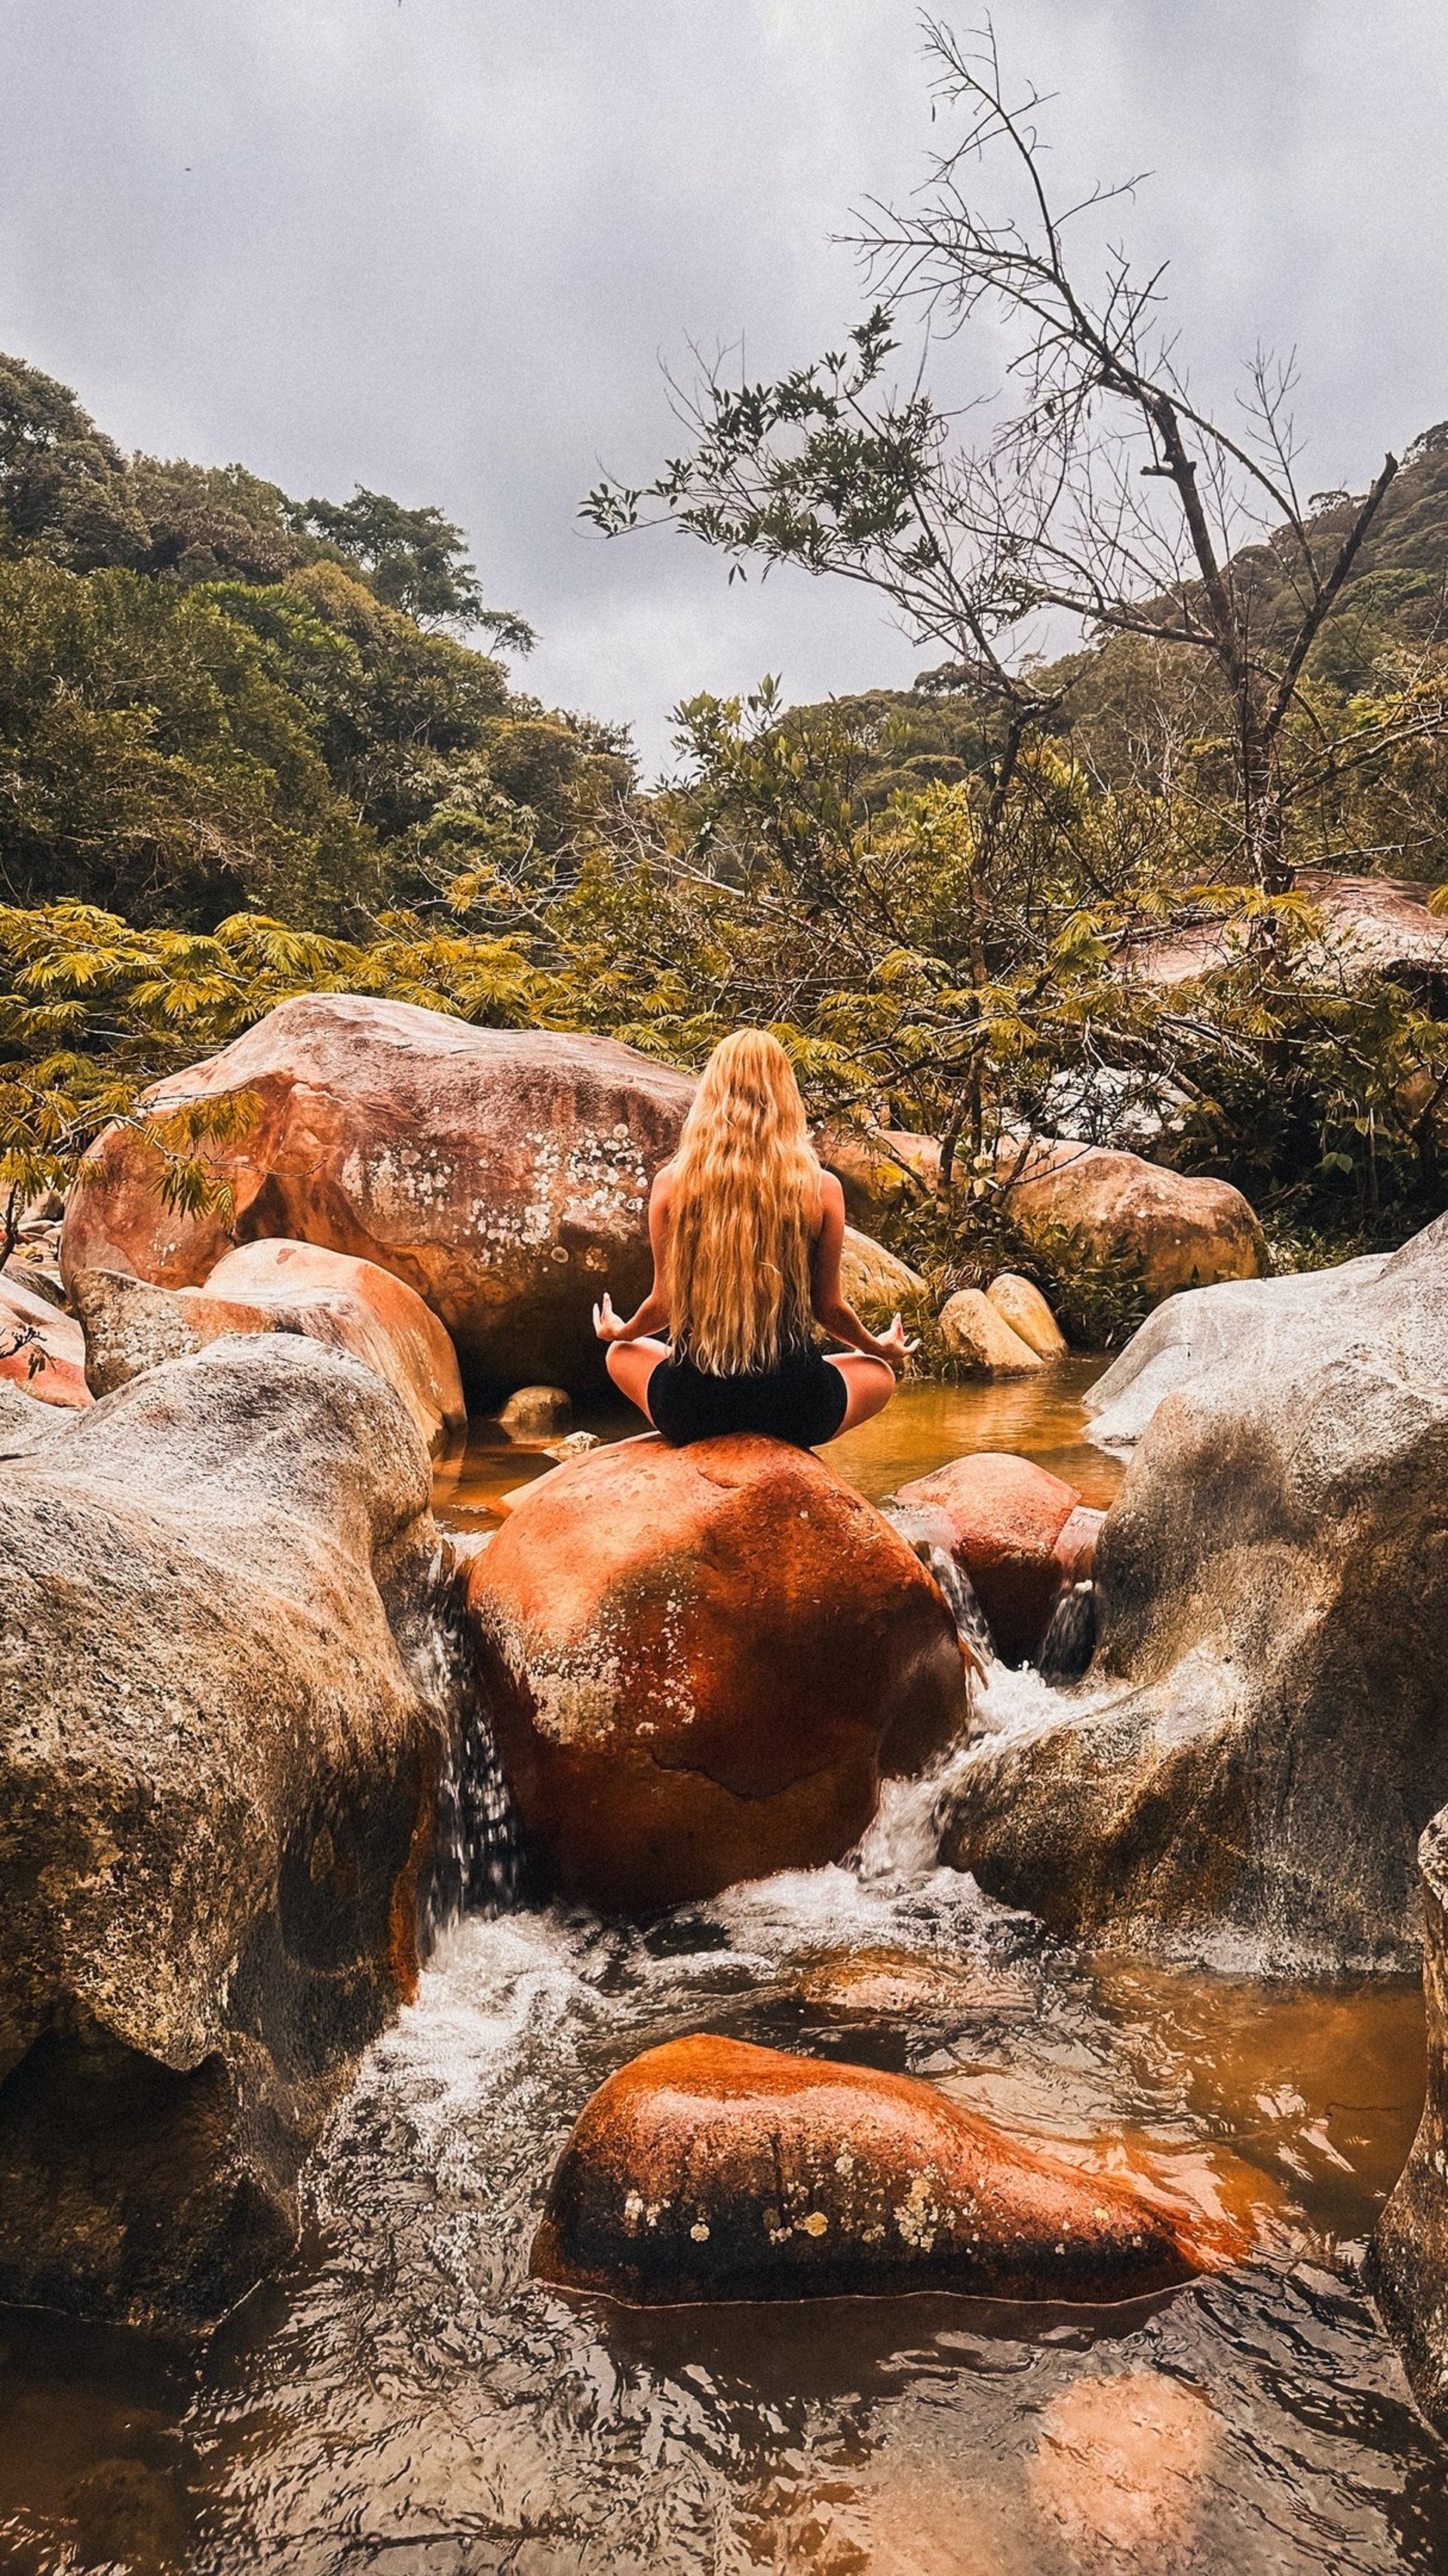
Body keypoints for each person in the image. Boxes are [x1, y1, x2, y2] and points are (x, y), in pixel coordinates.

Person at [594, 1028, 913, 1447]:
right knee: (878, 1374)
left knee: (621, 1356)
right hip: (796, 1409)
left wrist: (623, 1332)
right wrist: (878, 1346)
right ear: (784, 1095)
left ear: (712, 1095)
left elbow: (664, 1305)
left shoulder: (672, 1184)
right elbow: (828, 1308)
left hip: (692, 1410)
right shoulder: (820, 1188)